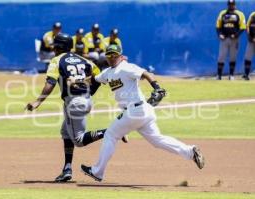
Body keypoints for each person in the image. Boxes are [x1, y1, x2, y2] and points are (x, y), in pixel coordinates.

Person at [80, 44, 205, 182]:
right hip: (141, 112)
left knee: (110, 134)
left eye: (115, 55)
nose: (112, 58)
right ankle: (190, 151)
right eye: (109, 55)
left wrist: (157, 87)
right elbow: (94, 80)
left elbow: (146, 74)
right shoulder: (108, 72)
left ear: (121, 56)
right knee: (157, 140)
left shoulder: (126, 67)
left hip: (135, 110)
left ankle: (97, 172)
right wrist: (76, 82)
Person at [25, 34, 127, 183]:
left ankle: (112, 131)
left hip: (74, 104)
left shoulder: (56, 60)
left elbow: (51, 82)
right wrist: (90, 91)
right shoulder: (85, 60)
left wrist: (38, 101)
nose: (53, 48)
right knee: (65, 132)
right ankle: (67, 168)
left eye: (55, 46)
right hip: (83, 101)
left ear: (60, 47)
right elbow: (98, 75)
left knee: (79, 140)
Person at [216, 0, 246, 80]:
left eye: (232, 4)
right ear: (227, 5)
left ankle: (231, 75)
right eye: (230, 4)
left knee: (233, 57)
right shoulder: (222, 13)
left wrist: (236, 35)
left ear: (235, 5)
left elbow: (243, 27)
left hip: (234, 40)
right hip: (224, 39)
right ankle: (219, 75)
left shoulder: (240, 14)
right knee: (221, 57)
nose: (231, 6)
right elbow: (218, 26)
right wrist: (220, 34)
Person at [243, 11, 255, 80]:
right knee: (247, 57)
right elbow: (247, 26)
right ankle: (246, 74)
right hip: (252, 40)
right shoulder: (253, 15)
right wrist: (250, 37)